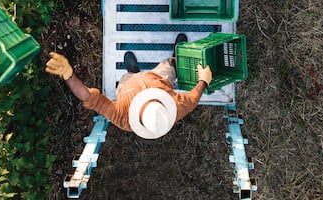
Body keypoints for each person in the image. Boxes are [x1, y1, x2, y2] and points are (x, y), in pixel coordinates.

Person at [46, 36, 213, 139]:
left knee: (126, 79)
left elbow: (89, 98)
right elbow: (192, 99)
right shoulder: (175, 108)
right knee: (169, 68)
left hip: (129, 85)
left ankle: (132, 72)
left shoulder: (122, 116)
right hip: (159, 78)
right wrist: (203, 81)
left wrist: (69, 76)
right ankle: (174, 59)